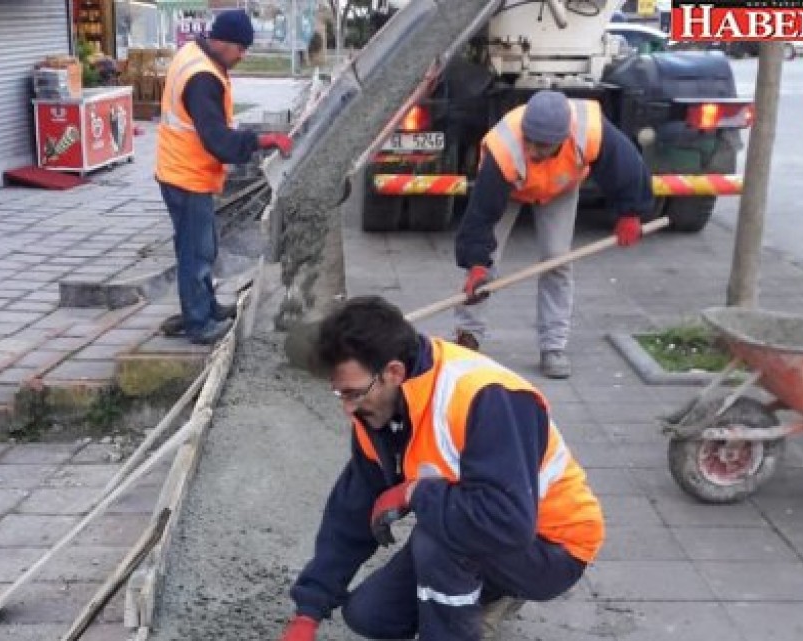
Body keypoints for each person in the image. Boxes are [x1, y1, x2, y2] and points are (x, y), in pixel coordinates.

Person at [277, 296, 604, 641]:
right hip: (476, 529)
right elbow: (350, 513)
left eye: (354, 393)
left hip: (551, 546)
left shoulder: (486, 397)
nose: (347, 408)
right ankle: (480, 590)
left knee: (437, 542)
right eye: (339, 394)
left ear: (394, 372)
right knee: (369, 616)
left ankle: (488, 597)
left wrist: (414, 492)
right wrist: (308, 613)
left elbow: (507, 521)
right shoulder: (375, 413)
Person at [454, 90, 653, 379]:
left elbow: (627, 168)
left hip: (561, 186)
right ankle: (468, 337)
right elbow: (481, 215)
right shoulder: (504, 149)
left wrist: (630, 212)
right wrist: (475, 262)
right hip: (511, 187)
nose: (533, 150)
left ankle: (553, 347)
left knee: (557, 260)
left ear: (563, 139)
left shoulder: (591, 131)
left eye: (543, 146)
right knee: (486, 266)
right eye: (530, 141)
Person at [156, 9, 292, 344]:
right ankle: (198, 323)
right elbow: (219, 142)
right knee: (196, 252)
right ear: (221, 41)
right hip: (187, 175)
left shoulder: (195, 56)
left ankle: (202, 307)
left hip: (180, 169)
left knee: (199, 247)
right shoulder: (203, 78)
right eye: (240, 48)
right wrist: (264, 140)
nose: (243, 55)